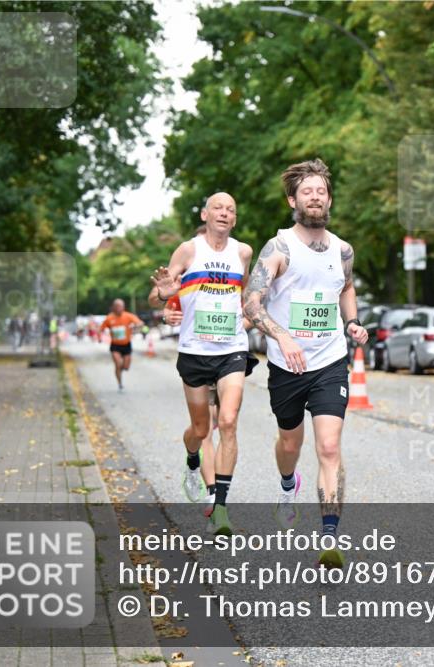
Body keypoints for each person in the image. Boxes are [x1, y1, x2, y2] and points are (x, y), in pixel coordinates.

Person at [243, 159, 368, 568]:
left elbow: (345, 287)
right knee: (291, 445)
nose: (315, 197)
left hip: (330, 361)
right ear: (293, 200)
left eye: (321, 191)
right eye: (307, 191)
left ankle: (330, 536)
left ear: (329, 199)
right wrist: (281, 335)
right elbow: (251, 301)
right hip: (286, 366)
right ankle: (286, 484)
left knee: (329, 446)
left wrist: (352, 322)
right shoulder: (279, 248)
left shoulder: (343, 250)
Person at [151, 193, 253, 536]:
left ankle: (220, 507)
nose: (225, 213)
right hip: (194, 351)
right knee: (199, 430)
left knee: (227, 421)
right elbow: (159, 294)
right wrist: (165, 297)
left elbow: (246, 297)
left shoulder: (243, 253)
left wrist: (251, 316)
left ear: (234, 220)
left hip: (232, 349)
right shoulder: (188, 250)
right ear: (206, 214)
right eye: (219, 208)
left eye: (231, 210)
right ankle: (192, 460)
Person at [100, 299, 144, 391]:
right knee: (118, 363)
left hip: (126, 344)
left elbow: (140, 323)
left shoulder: (128, 316)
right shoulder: (109, 318)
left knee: (126, 367)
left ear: (123, 307)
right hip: (115, 345)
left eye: (121, 306)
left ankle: (121, 369)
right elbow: (101, 328)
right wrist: (99, 337)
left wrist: (136, 326)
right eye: (117, 306)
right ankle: (119, 383)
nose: (119, 308)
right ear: (114, 307)